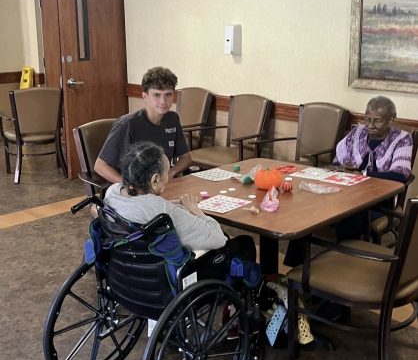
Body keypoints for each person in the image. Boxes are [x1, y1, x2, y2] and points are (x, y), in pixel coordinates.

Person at [284, 95, 412, 267]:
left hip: (379, 200)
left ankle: (343, 265)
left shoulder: (402, 139)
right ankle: (294, 266)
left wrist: (363, 174)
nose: (370, 125)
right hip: (345, 193)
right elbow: (338, 162)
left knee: (350, 216)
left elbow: (399, 175)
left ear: (390, 120)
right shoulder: (358, 133)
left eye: (377, 121)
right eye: (368, 119)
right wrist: (342, 167)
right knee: (309, 208)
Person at [104, 140, 257, 261]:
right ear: (155, 179)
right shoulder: (164, 212)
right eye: (167, 170)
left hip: (129, 267)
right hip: (167, 275)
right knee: (244, 243)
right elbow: (218, 239)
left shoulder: (113, 192)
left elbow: (140, 207)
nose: (169, 174)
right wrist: (195, 209)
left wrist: (170, 204)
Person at [95, 66, 192, 184]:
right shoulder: (127, 124)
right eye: (157, 95)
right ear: (145, 96)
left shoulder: (173, 119)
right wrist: (130, 187)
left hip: (159, 186)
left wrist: (171, 172)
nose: (163, 101)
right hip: (131, 190)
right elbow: (100, 166)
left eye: (168, 95)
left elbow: (186, 158)